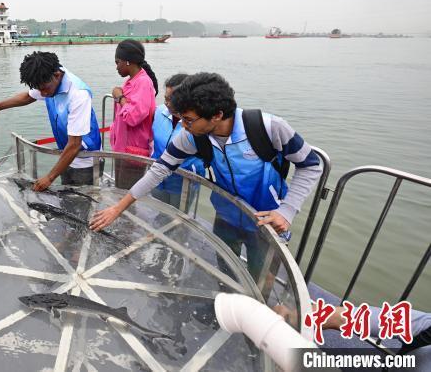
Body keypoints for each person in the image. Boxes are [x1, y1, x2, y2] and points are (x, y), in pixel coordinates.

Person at [91, 72, 322, 276]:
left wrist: (287, 210)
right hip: (225, 215)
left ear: (217, 115)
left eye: (189, 120)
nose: (183, 126)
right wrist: (118, 207)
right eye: (181, 119)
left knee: (260, 278)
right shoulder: (193, 135)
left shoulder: (268, 128)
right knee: (227, 269)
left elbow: (311, 164)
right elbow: (160, 169)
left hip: (267, 221)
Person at [0, 52, 101, 190]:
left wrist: (49, 178)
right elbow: (28, 97)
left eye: (44, 89)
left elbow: (74, 144)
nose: (42, 94)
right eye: (38, 89)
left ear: (57, 75)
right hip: (66, 156)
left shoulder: (78, 95)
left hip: (86, 161)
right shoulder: (49, 77)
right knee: (67, 199)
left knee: (82, 204)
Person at [109, 40, 159, 189]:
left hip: (132, 152)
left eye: (118, 62)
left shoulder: (143, 83)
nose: (116, 67)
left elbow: (133, 117)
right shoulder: (132, 81)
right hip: (123, 148)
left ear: (128, 61)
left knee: (126, 194)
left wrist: (120, 98)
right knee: (120, 190)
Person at [150, 73, 204, 209]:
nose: (167, 103)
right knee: (158, 211)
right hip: (158, 178)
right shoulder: (159, 112)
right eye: (165, 99)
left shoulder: (197, 122)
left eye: (171, 99)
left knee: (177, 219)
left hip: (183, 182)